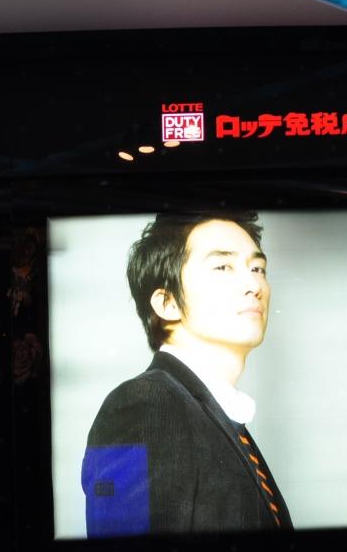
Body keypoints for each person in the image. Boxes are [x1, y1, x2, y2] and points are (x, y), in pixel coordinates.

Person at [83, 212, 291, 535]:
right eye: (223, 267)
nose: (254, 286)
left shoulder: (218, 416)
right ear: (168, 303)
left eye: (257, 268)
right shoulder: (145, 403)